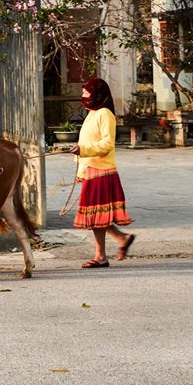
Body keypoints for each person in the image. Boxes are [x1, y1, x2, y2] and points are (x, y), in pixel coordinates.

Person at [69, 77, 134, 268]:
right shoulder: (93, 113)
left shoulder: (105, 114)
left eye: (86, 92)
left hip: (102, 170)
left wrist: (83, 150)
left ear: (96, 94)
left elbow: (106, 144)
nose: (83, 96)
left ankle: (111, 247)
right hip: (91, 170)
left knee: (97, 215)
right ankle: (107, 251)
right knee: (96, 216)